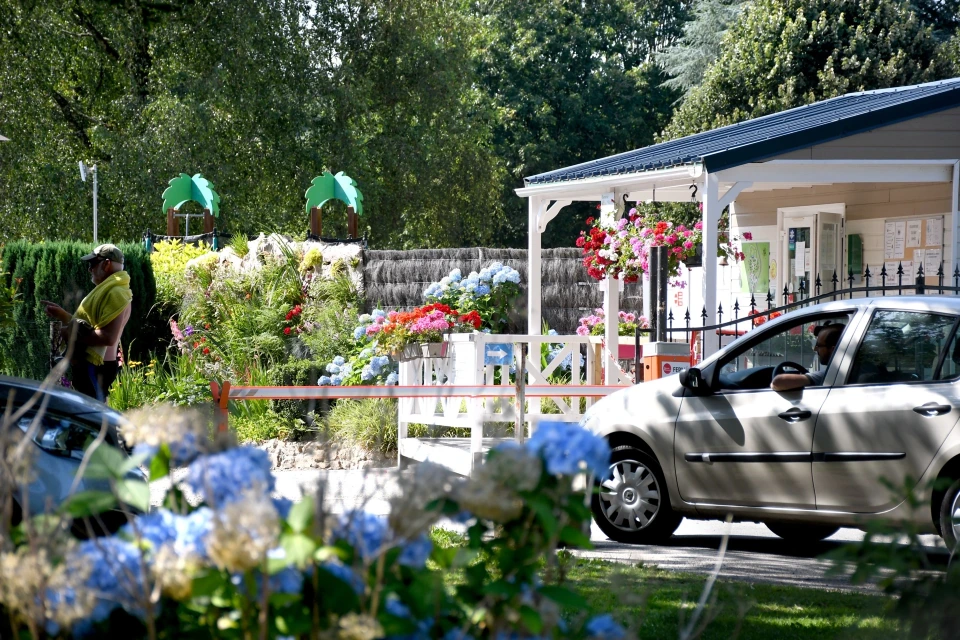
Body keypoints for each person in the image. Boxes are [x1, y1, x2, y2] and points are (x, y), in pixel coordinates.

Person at [41, 244, 132, 402]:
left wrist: (69, 333)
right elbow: (88, 326)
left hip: (96, 367)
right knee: (90, 414)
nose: (90, 269)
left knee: (93, 416)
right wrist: (63, 315)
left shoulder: (115, 293)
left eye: (92, 264)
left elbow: (107, 337)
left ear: (106, 264)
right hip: (96, 366)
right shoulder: (113, 290)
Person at [770, 323, 845, 391]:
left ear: (833, 349)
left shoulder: (829, 376)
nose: (815, 349)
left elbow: (777, 383)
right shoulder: (849, 372)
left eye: (818, 345)